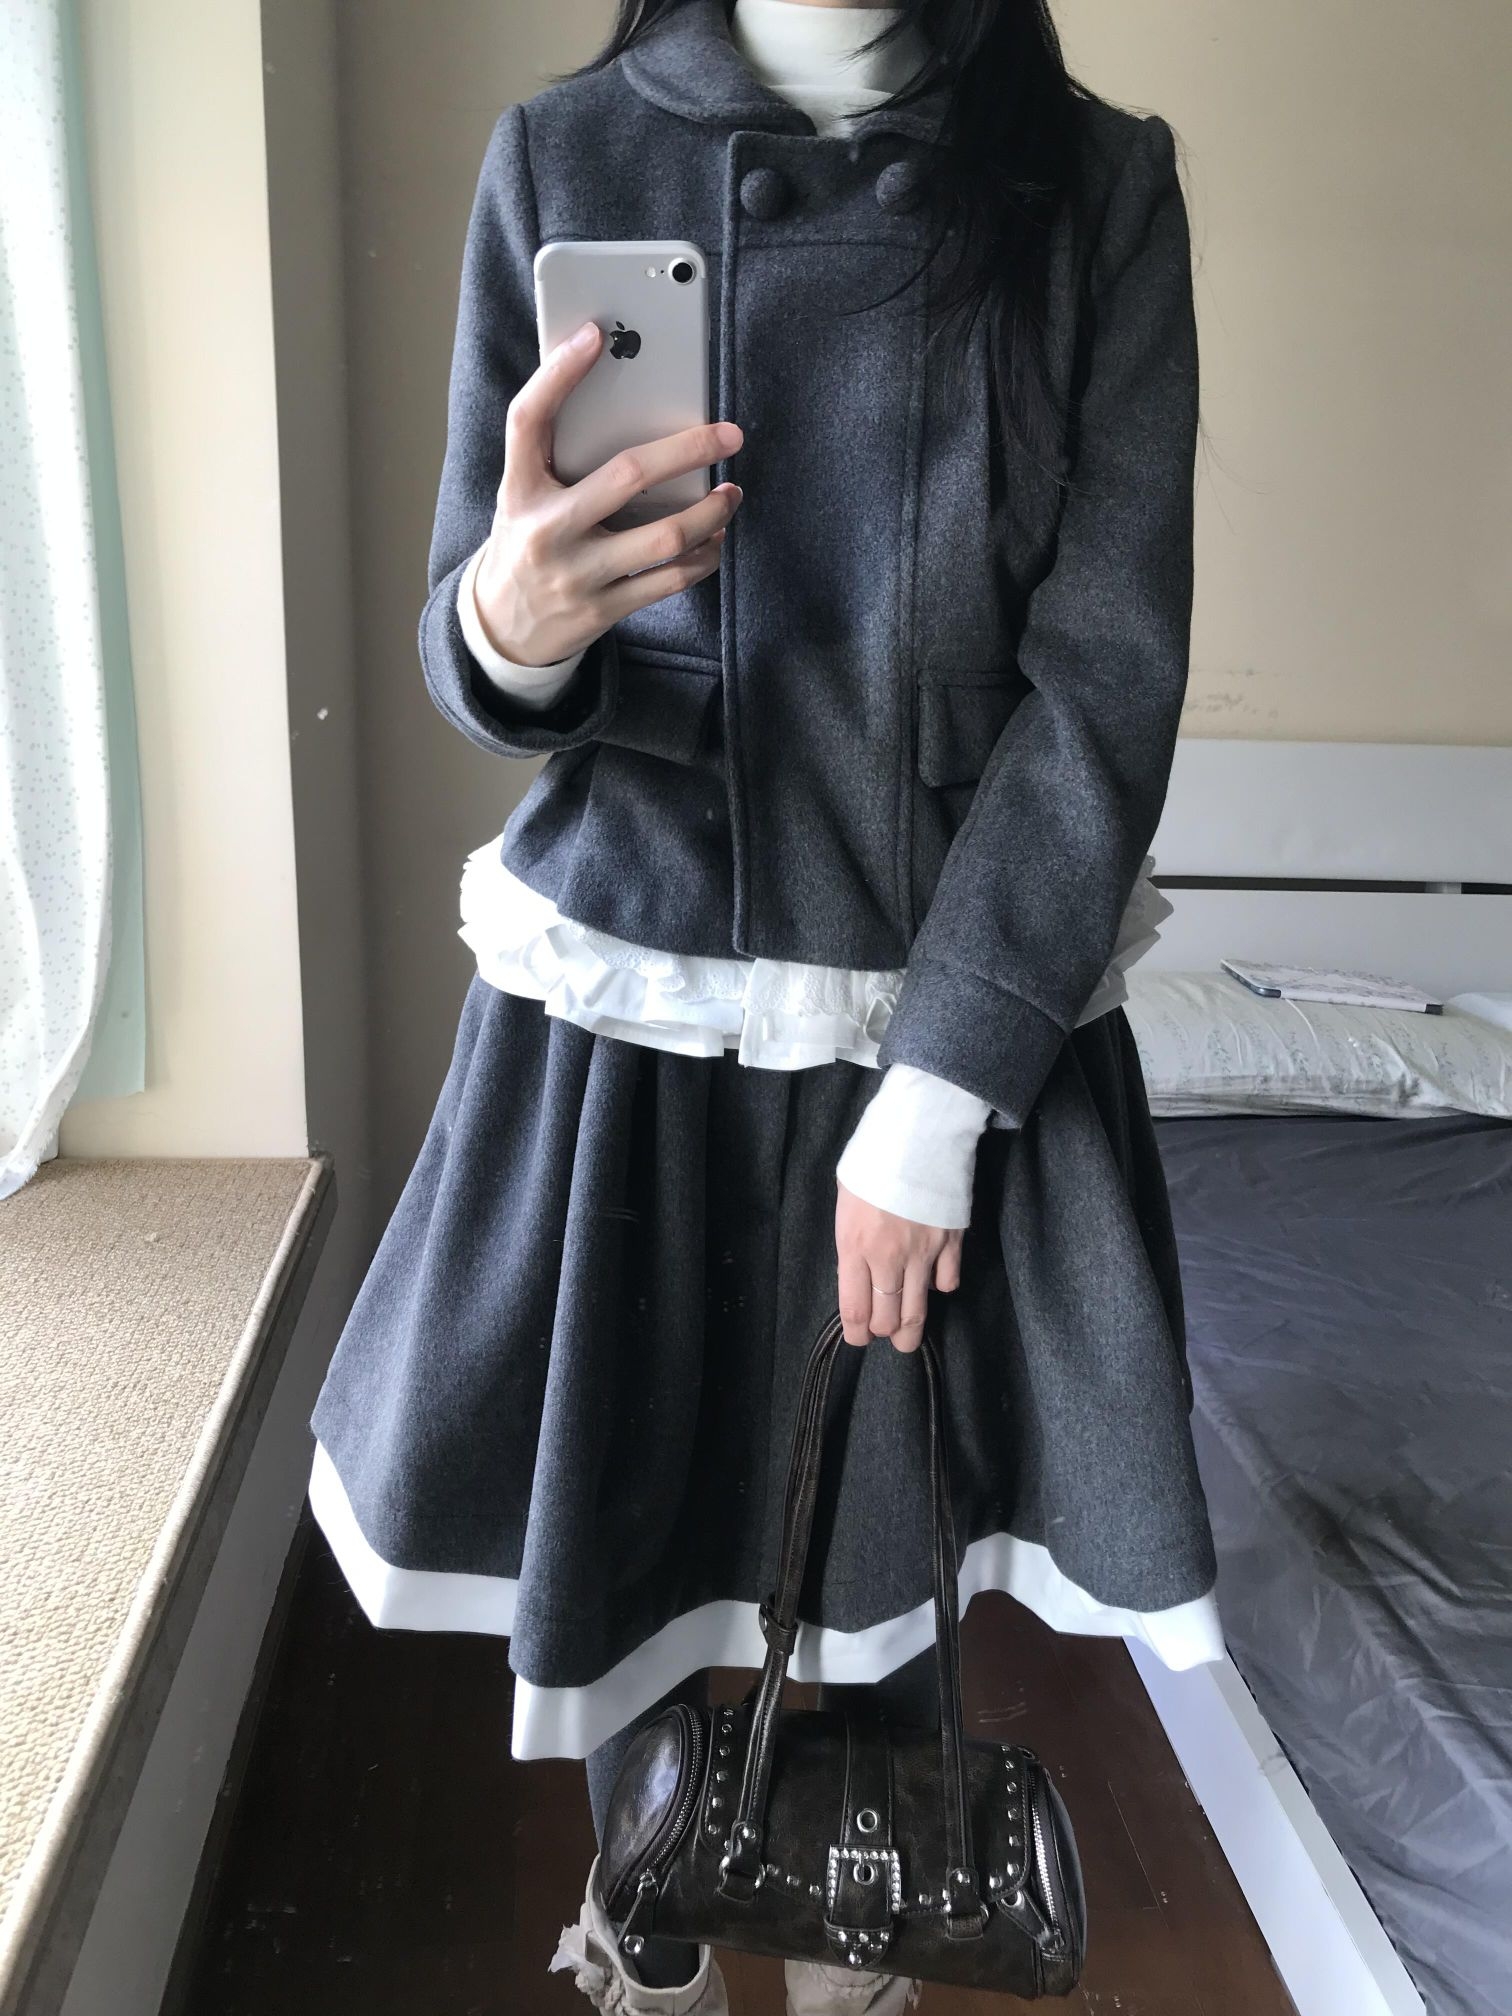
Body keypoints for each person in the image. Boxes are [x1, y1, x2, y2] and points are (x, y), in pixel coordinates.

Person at [306, 1, 1224, 2008]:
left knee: (891, 1584)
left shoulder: (1097, 183)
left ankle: (863, 1952)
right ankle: (643, 1949)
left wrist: (939, 1098)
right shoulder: (563, 152)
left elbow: (1105, 679)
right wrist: (508, 623)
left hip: (945, 1002)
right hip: (637, 1006)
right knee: (637, 1567)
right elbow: (479, 633)